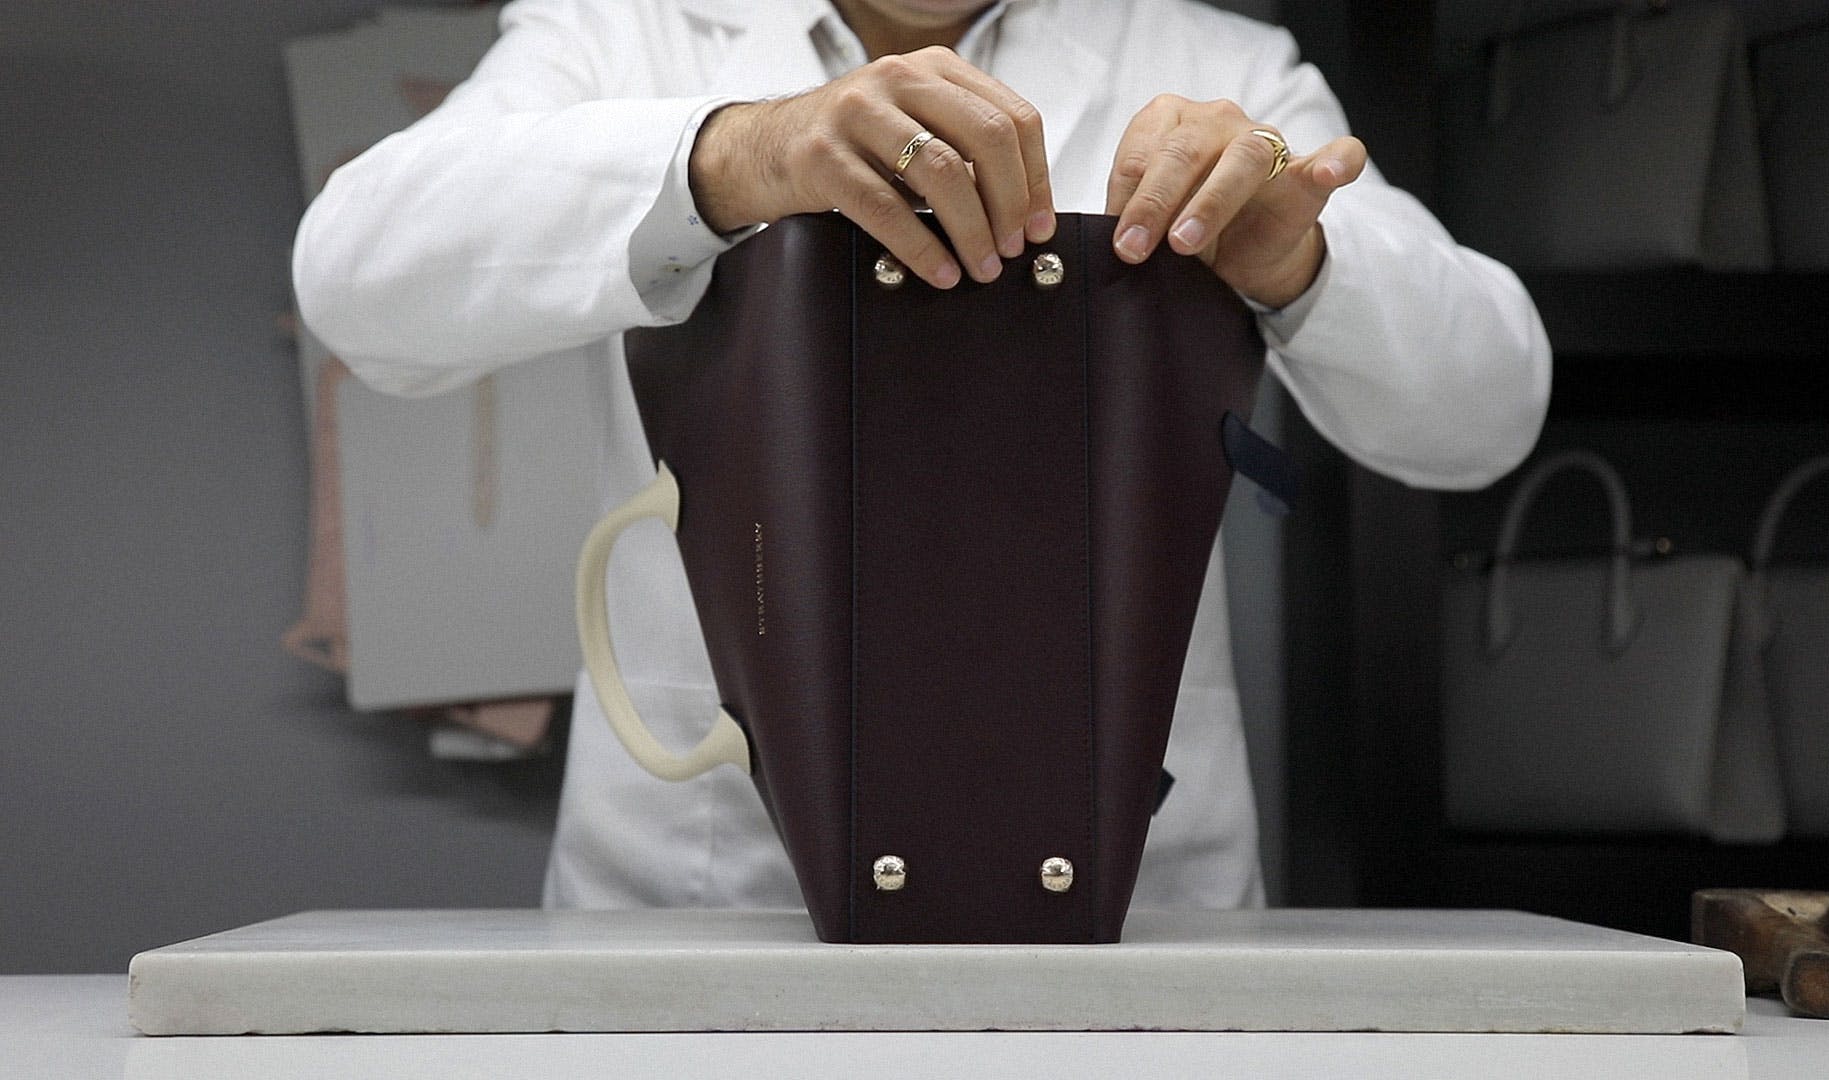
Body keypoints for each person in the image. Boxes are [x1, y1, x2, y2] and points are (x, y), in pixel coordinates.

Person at [294, 0, 1551, 911]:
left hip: (1145, 930)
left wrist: (1298, 263)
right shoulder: (623, 34)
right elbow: (354, 276)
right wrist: (738, 152)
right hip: (699, 906)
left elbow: (1487, 410)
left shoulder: (1219, 66)